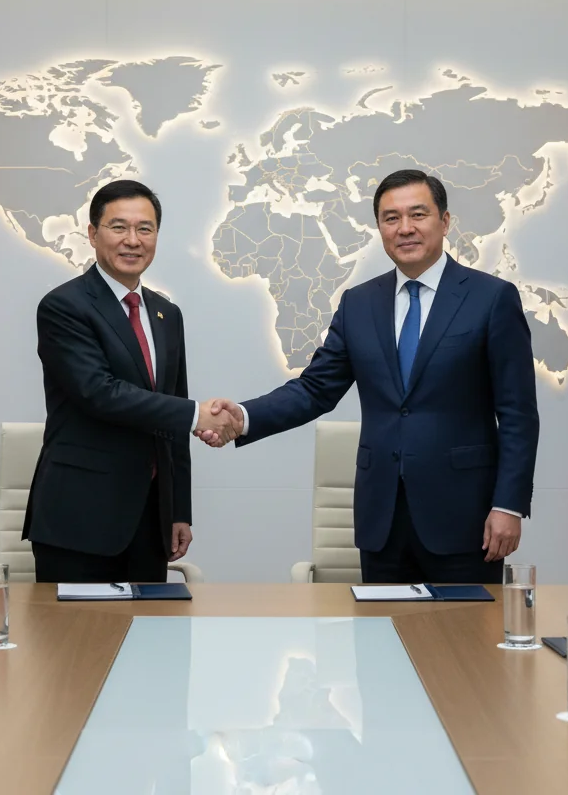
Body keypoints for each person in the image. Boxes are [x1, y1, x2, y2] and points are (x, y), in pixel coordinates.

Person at [200, 169, 539, 584]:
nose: (405, 228)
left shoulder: (491, 298)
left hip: (465, 518)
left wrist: (509, 505)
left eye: (418, 214)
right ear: (379, 227)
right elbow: (315, 389)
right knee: (382, 641)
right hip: (381, 520)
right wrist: (244, 417)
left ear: (445, 222)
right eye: (391, 218)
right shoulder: (359, 303)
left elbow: (518, 412)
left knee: (464, 644)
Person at [23, 179, 238, 582]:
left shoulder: (165, 314)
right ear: (92, 234)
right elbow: (100, 393)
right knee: (75, 644)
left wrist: (178, 511)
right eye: (118, 227)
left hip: (149, 521)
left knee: (150, 639)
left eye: (145, 228)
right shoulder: (64, 306)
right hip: (79, 519)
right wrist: (198, 415)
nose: (132, 240)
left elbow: (172, 417)